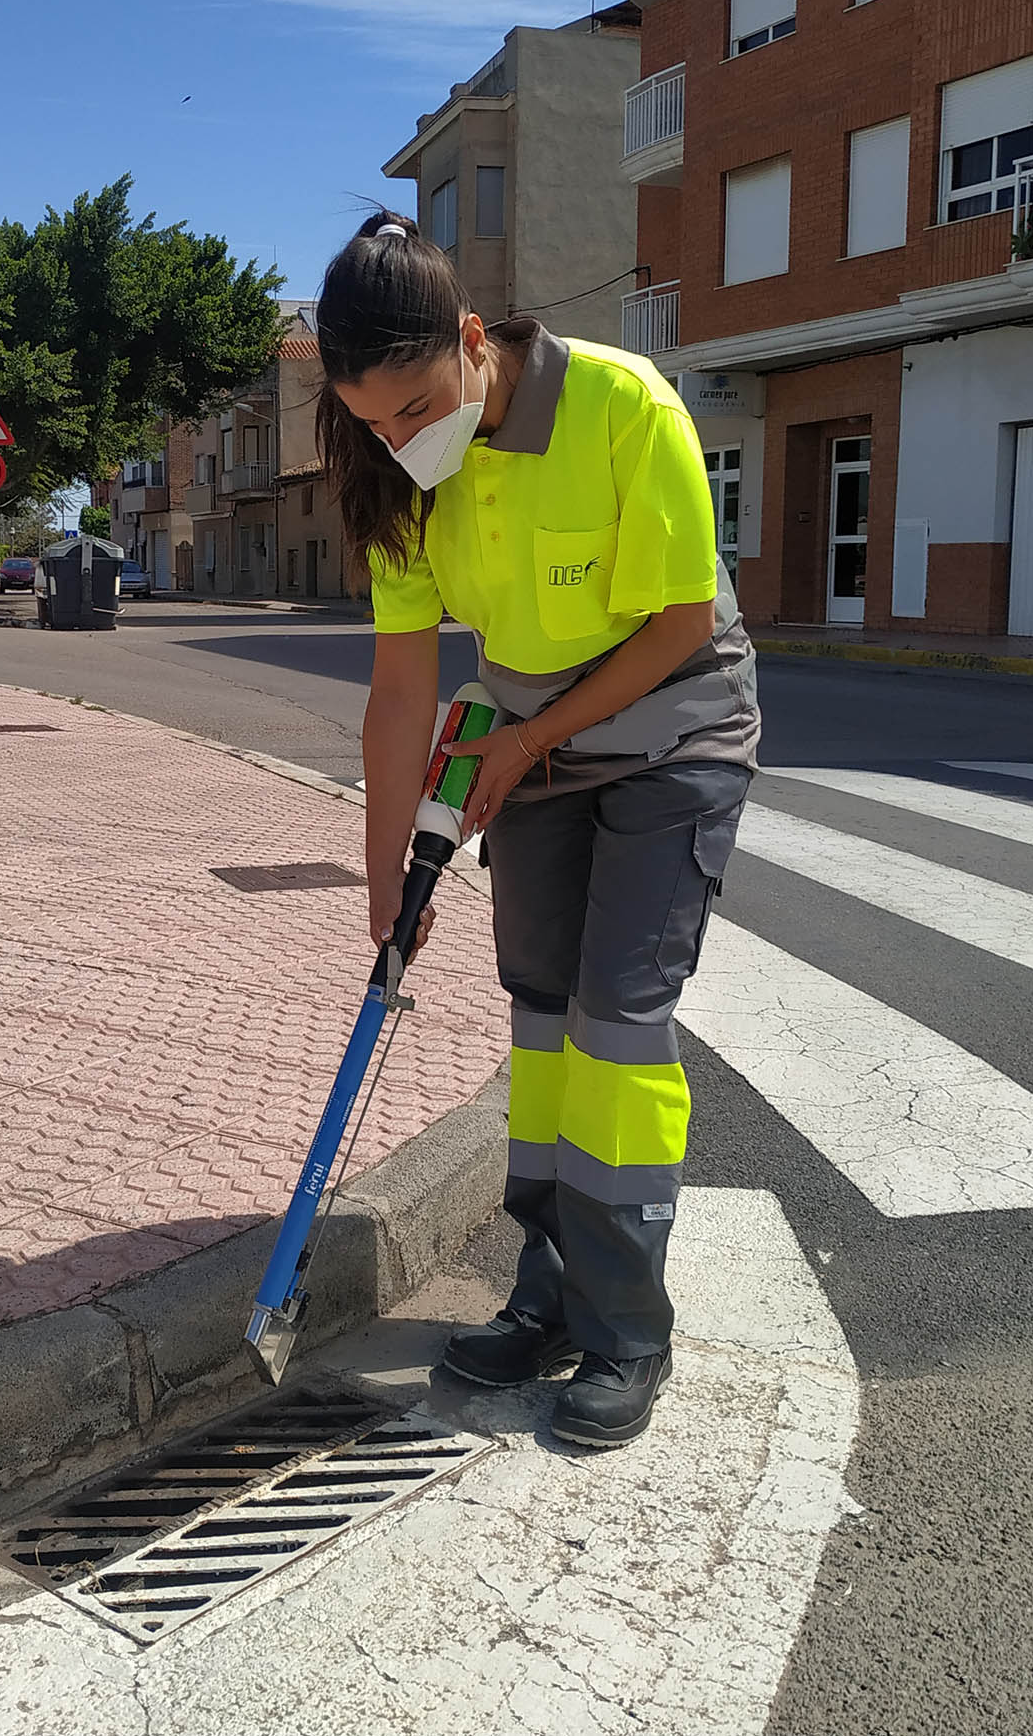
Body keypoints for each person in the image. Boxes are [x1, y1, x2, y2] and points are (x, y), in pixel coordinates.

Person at [317, 211, 760, 1447]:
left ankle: (629, 1333)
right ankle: (549, 1293)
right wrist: (383, 896)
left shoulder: (627, 406)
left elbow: (677, 623)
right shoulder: (402, 483)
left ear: (472, 341)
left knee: (617, 1022)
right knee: (544, 1021)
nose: (401, 442)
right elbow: (401, 697)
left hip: (674, 739)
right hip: (541, 754)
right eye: (372, 423)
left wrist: (518, 742)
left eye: (414, 407)